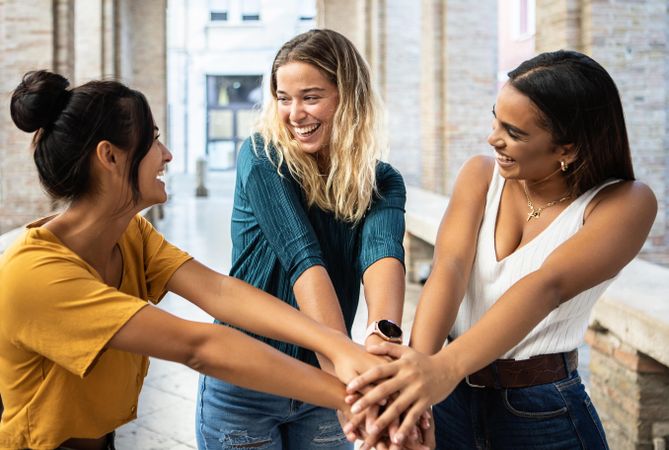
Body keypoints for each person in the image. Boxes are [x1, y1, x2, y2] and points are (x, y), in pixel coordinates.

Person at [0, 70, 381, 450]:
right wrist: (350, 396)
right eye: (152, 141)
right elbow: (198, 347)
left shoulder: (130, 235)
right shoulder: (35, 275)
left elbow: (219, 291)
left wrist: (338, 347)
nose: (167, 155)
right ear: (110, 156)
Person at [344, 50, 658, 449]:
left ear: (568, 149)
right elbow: (450, 268)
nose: (494, 138)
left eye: (514, 132)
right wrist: (417, 377)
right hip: (450, 397)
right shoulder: (480, 174)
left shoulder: (626, 202)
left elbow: (548, 285)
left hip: (542, 412)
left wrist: (440, 369)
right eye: (496, 119)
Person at [196, 29, 409, 450]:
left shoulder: (382, 181)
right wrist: (347, 381)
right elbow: (303, 261)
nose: (294, 113)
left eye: (311, 97)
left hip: (321, 386)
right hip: (246, 380)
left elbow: (382, 255)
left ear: (349, 98)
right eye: (283, 97)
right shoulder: (263, 155)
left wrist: (380, 348)